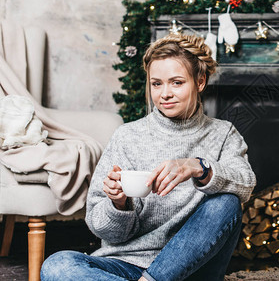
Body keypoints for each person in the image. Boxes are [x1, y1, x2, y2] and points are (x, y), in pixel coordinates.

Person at [40, 33, 257, 281]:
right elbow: (100, 226)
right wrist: (118, 205)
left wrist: (199, 167)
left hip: (195, 269)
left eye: (176, 82)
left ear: (200, 82)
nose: (165, 94)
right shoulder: (127, 136)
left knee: (226, 201)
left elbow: (246, 184)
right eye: (156, 84)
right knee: (57, 266)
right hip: (126, 265)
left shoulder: (223, 133)